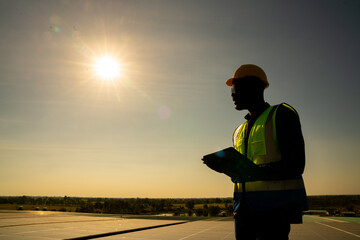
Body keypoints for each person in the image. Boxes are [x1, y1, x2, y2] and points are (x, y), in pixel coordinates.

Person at [226, 64, 308, 240]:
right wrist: (233, 171)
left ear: (254, 86)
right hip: (242, 212)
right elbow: (242, 173)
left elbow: (295, 165)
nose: (231, 93)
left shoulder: (281, 115)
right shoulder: (239, 130)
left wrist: (254, 172)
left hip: (273, 212)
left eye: (235, 87)